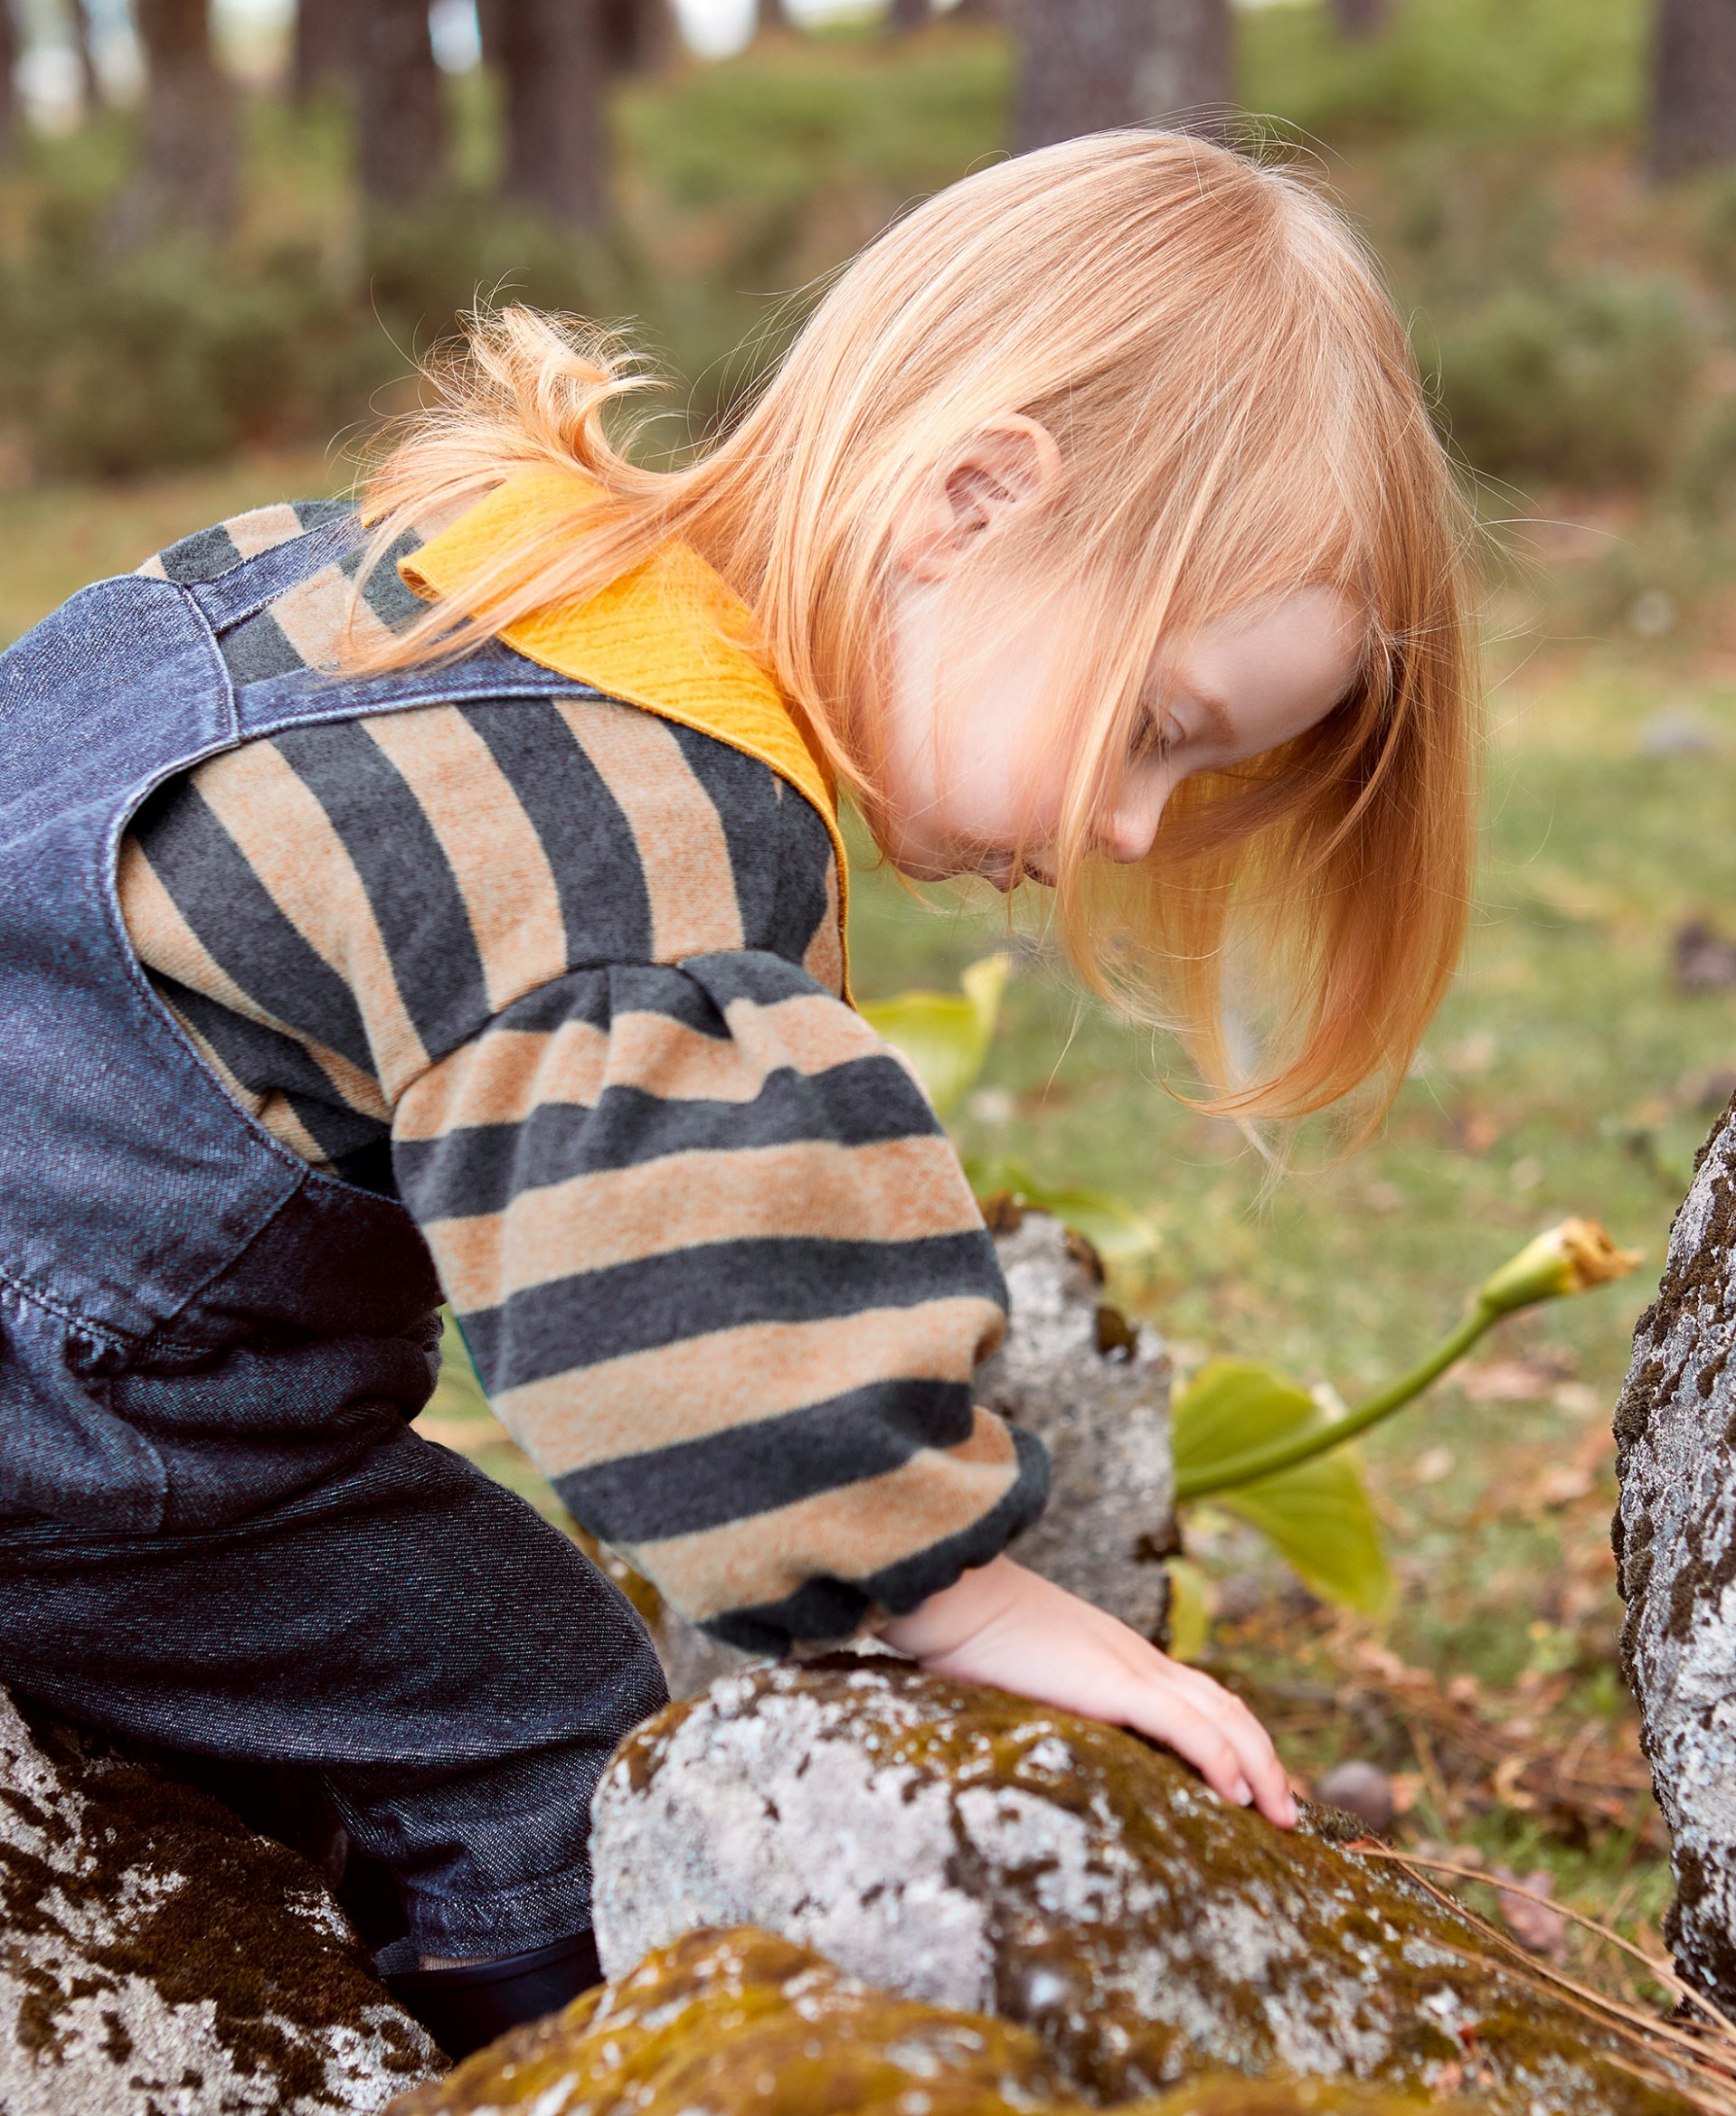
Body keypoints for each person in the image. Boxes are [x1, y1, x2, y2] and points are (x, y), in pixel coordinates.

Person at [0, 130, 1474, 2055]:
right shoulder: (661, 823)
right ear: (969, 500)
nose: (1125, 828)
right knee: (528, 1697)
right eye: (1158, 734)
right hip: (68, 1408)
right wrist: (956, 1594)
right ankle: (547, 2060)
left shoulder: (479, 568)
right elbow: (690, 1305)